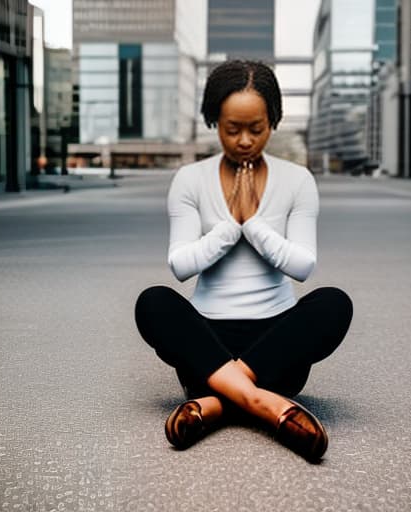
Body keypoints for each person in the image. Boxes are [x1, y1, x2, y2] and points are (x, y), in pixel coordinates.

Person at [134, 60, 353, 462]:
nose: (246, 140)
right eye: (232, 129)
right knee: (152, 302)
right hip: (206, 340)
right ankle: (266, 405)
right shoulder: (190, 180)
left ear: (274, 121)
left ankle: (215, 403)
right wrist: (228, 229)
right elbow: (181, 266)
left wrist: (253, 223)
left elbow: (302, 267)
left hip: (276, 343)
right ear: (213, 121)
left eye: (257, 128)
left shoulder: (297, 180)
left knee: (335, 303)